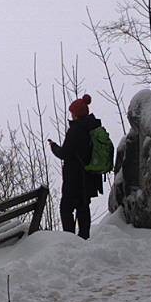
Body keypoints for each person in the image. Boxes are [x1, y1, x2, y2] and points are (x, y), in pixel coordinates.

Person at [48, 94, 103, 239]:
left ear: (76, 114)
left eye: (72, 112)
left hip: (75, 177)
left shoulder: (76, 130)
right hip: (90, 176)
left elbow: (65, 153)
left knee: (66, 208)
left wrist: (54, 147)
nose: (71, 115)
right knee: (83, 207)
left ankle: (70, 240)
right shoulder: (93, 126)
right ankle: (84, 237)